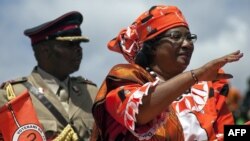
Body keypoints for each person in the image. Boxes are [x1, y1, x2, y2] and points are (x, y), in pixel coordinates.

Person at [91, 5, 243, 141]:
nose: (187, 44)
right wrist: (196, 75)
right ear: (152, 47)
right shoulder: (125, 79)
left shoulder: (208, 90)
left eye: (190, 38)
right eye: (176, 37)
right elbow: (140, 113)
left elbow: (228, 134)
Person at [0, 11, 98, 141]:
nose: (78, 50)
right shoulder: (13, 95)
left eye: (79, 44)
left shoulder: (93, 94)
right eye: (69, 44)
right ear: (45, 51)